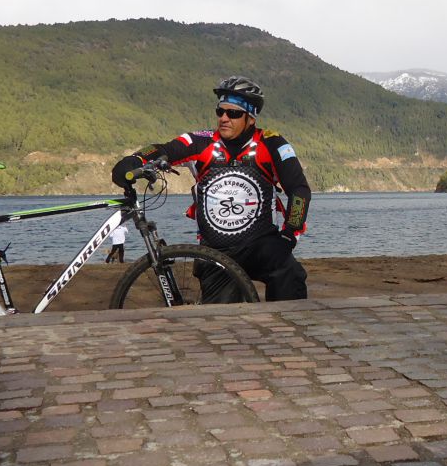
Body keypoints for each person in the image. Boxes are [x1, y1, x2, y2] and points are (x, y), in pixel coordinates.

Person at [111, 76, 310, 302]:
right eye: (220, 111)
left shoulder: (271, 143)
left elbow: (299, 191)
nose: (224, 118)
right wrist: (136, 159)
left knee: (290, 274)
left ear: (251, 117)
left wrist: (289, 235)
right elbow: (162, 149)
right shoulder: (201, 141)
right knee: (221, 316)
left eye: (233, 113)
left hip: (260, 245)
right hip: (215, 252)